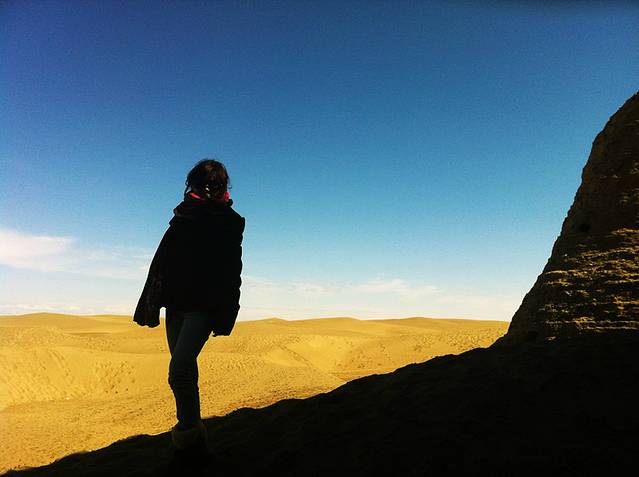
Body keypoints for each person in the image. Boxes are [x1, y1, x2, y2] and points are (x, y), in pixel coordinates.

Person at [133, 159, 245, 471]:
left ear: (222, 186)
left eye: (212, 184)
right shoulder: (181, 217)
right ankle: (195, 450)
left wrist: (228, 313)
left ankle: (186, 443)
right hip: (176, 305)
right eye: (201, 183)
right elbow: (165, 262)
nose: (205, 189)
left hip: (203, 308)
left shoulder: (230, 221)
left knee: (179, 371)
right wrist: (155, 299)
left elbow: (231, 271)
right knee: (187, 373)